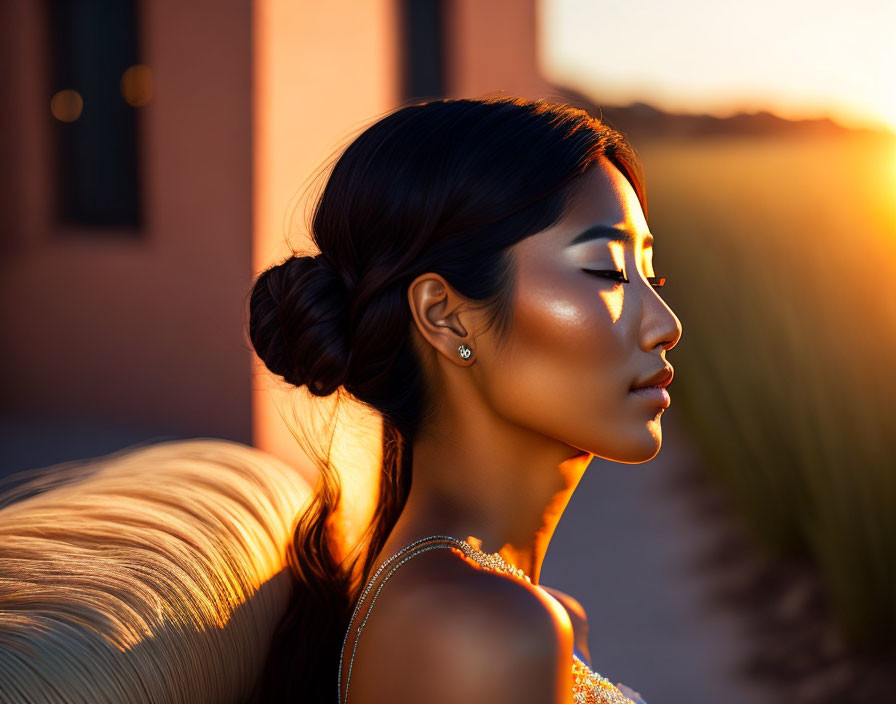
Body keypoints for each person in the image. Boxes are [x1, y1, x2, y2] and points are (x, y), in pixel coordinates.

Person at [247, 96, 682, 704]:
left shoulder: (521, 615)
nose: (664, 323)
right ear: (446, 317)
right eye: (607, 272)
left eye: (650, 275)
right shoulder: (476, 630)